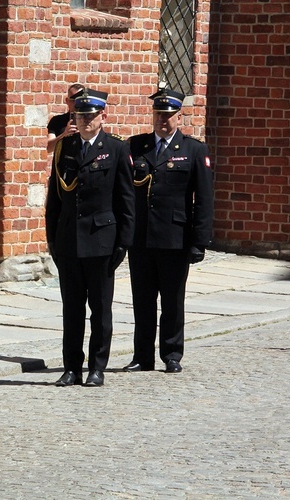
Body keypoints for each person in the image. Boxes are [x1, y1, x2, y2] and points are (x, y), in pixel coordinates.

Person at [46, 88, 135, 387]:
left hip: (101, 240)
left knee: (100, 310)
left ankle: (97, 366)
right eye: (80, 116)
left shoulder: (117, 148)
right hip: (69, 240)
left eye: (90, 116)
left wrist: (123, 242)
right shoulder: (65, 147)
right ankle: (71, 367)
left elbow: (126, 200)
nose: (84, 121)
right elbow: (54, 199)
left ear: (103, 116)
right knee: (71, 310)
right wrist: (52, 240)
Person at [122, 89, 214, 374]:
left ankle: (172, 354)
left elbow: (205, 199)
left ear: (179, 116)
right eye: (159, 114)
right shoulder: (135, 146)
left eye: (169, 115)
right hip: (141, 238)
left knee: (173, 300)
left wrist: (199, 241)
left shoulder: (193, 150)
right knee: (143, 300)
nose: (164, 120)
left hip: (176, 237)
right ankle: (142, 356)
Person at [46, 84, 85, 153]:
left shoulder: (90, 120)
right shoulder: (57, 121)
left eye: (80, 100)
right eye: (74, 100)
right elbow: (48, 148)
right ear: (67, 101)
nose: (77, 104)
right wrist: (64, 134)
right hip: (63, 162)